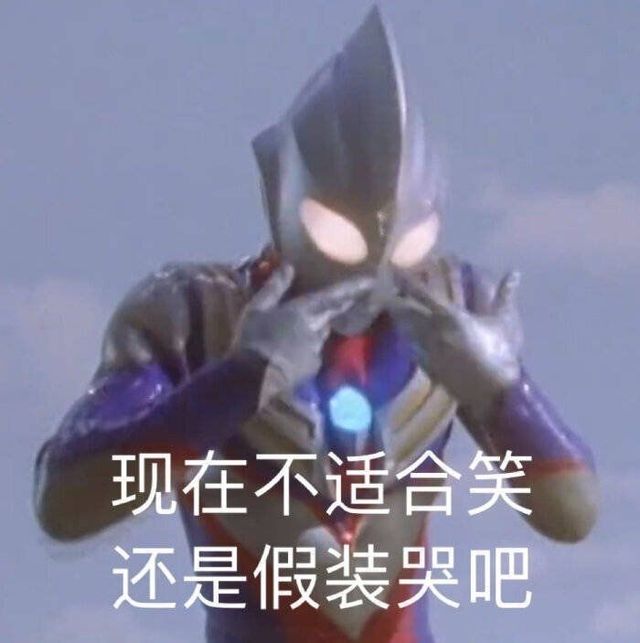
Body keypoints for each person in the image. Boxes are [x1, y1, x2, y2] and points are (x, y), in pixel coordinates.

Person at [34, 8, 597, 642]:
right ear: (281, 192)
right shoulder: (194, 317)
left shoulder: (452, 312)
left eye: (410, 240)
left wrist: (504, 392)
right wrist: (235, 382)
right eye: (338, 233)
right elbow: (65, 502)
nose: (377, 268)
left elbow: (572, 513)